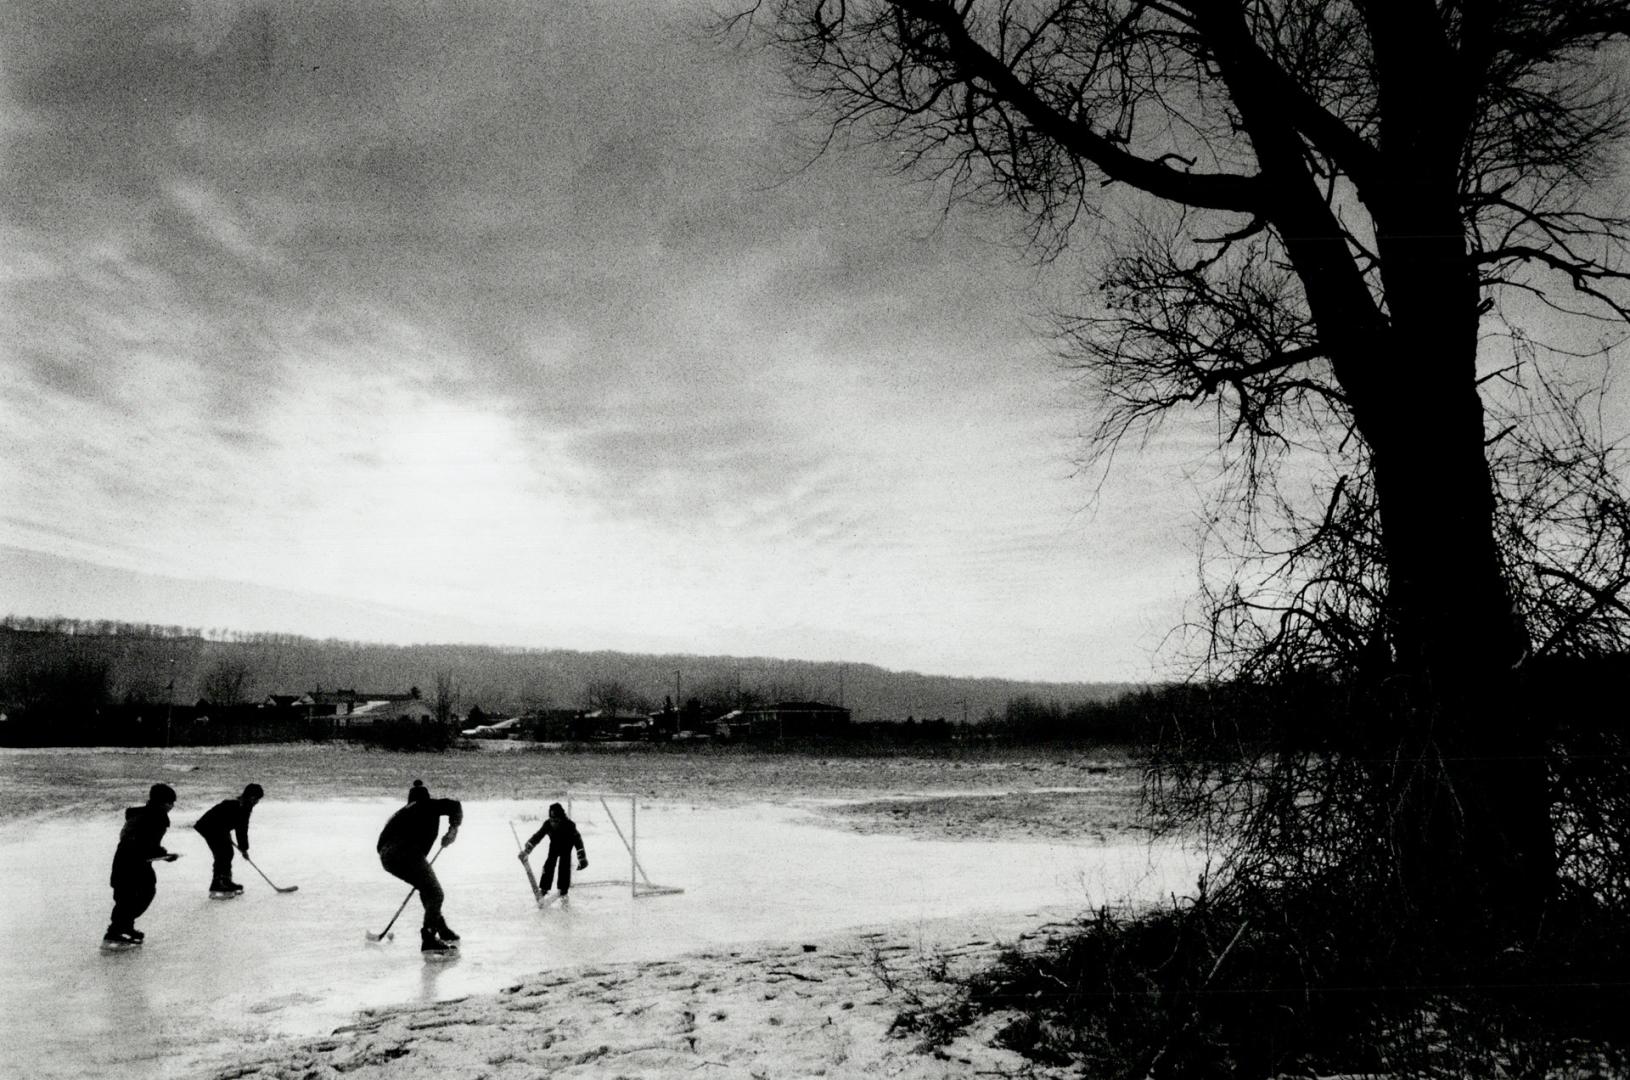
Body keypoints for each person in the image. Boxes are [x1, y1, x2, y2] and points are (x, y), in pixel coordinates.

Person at [377, 779, 462, 954]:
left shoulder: (402, 812)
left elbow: (381, 843)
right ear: (427, 797)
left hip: (386, 857)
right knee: (435, 892)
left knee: (427, 888)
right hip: (405, 850)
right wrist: (453, 830)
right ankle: (429, 938)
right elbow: (455, 805)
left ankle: (441, 928)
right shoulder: (427, 805)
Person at [105, 783, 181, 948]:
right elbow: (144, 842)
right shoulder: (156, 817)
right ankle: (115, 932)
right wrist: (163, 854)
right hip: (132, 863)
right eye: (170, 803)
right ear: (161, 802)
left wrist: (161, 853)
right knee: (135, 894)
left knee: (132, 894)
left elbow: (143, 842)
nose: (172, 807)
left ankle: (124, 927)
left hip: (129, 860)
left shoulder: (144, 814)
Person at [193, 783, 263, 895]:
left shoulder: (241, 805)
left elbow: (234, 825)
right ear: (252, 798)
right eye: (257, 799)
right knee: (223, 853)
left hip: (215, 827)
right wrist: (244, 849)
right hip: (209, 827)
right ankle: (218, 883)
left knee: (226, 853)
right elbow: (241, 830)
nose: (257, 802)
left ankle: (225, 881)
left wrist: (230, 838)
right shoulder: (242, 807)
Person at [519, 802, 588, 900]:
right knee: (549, 865)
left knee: (564, 867)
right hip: (554, 846)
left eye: (556, 820)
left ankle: (563, 890)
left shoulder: (569, 825)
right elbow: (538, 836)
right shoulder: (548, 824)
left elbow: (578, 841)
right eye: (551, 820)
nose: (553, 823)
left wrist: (582, 858)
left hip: (566, 846)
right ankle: (544, 888)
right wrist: (527, 850)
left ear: (561, 818)